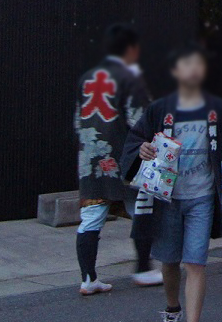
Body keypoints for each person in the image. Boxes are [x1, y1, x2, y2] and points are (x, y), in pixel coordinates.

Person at [122, 45, 222, 322]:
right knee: (170, 261)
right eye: (187, 65)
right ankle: (173, 308)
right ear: (175, 72)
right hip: (167, 197)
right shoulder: (159, 109)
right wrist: (142, 149)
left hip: (202, 196)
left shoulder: (216, 109)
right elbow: (135, 140)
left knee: (195, 262)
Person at [75, 23, 159, 295]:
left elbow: (78, 122)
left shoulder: (86, 77)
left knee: (90, 217)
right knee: (140, 210)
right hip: (125, 156)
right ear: (130, 49)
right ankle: (143, 269)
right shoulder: (130, 78)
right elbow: (142, 121)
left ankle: (88, 278)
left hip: (90, 158)